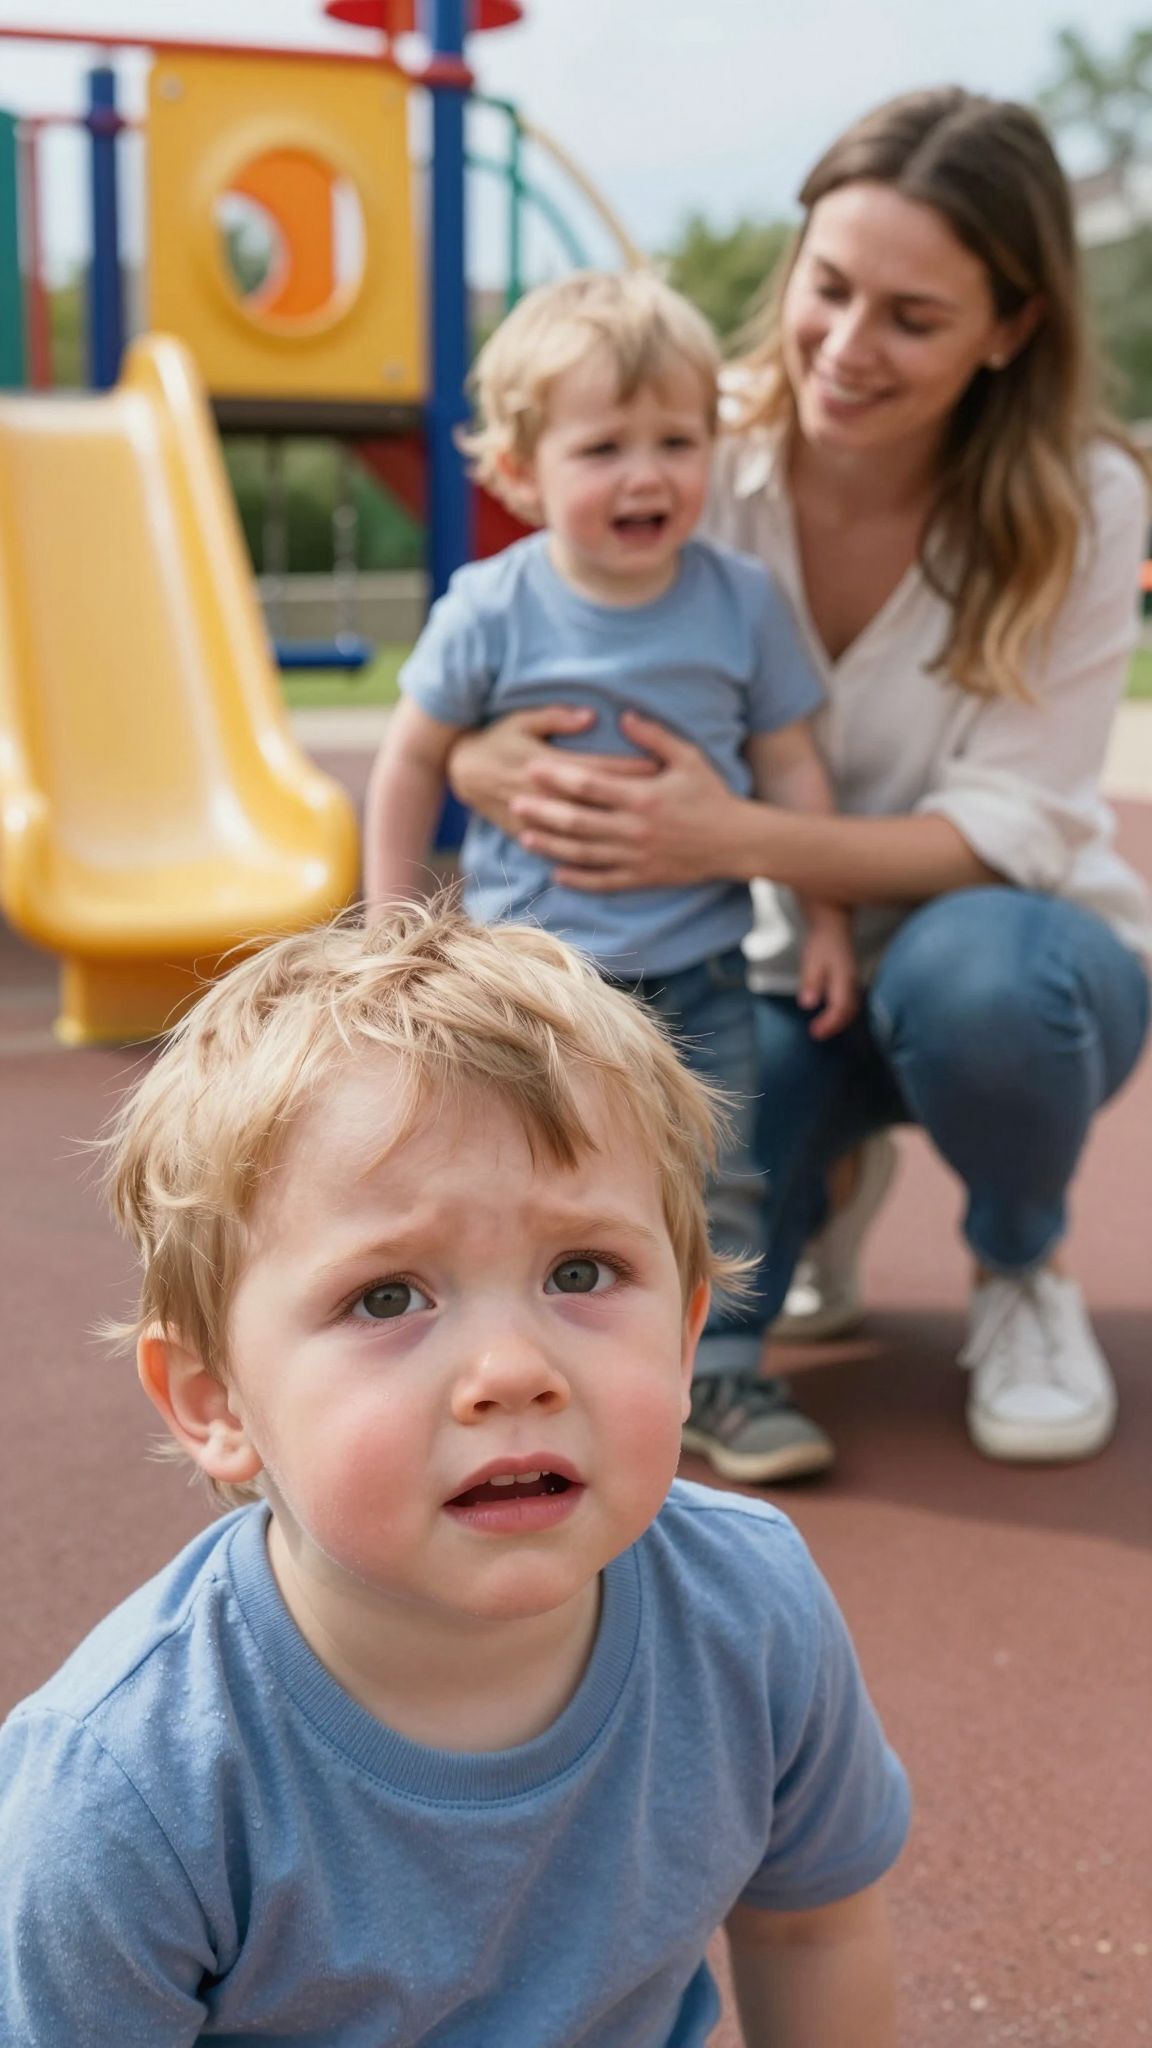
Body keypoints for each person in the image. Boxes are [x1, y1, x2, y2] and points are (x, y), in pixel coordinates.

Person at [0, 902, 910, 2046]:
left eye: (583, 1268)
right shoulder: (126, 1786)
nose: (514, 1371)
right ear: (215, 1400)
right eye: (388, 1296)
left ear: (685, 1345)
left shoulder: (753, 1607)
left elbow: (810, 1930)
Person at [448, 87, 1152, 1472]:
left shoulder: (1083, 500)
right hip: (760, 974)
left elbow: (1015, 825)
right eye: (828, 287)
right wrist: (475, 752)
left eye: (914, 316)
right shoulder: (698, 450)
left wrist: (728, 831)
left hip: (1016, 963)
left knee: (981, 979)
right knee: (672, 1101)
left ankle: (1019, 1265)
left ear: (1010, 329)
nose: (844, 345)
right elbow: (527, 626)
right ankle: (814, 1180)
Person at [364, 269, 857, 1482]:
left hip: (698, 968)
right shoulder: (494, 604)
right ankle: (532, 1372)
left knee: (721, 1171)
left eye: (676, 441)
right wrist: (385, 935)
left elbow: (794, 770)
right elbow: (409, 760)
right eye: (604, 448)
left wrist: (827, 913)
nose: (647, 474)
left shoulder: (739, 603)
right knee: (528, 1180)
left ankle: (723, 1380)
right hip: (533, 985)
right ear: (522, 474)